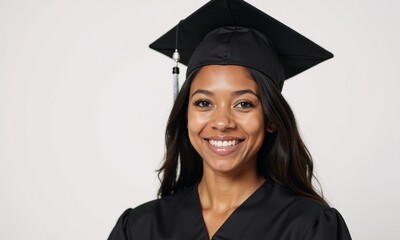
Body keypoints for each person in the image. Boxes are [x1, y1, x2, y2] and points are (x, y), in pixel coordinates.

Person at [108, 0, 352, 239]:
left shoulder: (310, 227)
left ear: (270, 119)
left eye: (243, 104)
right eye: (204, 103)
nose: (222, 122)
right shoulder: (142, 228)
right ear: (185, 114)